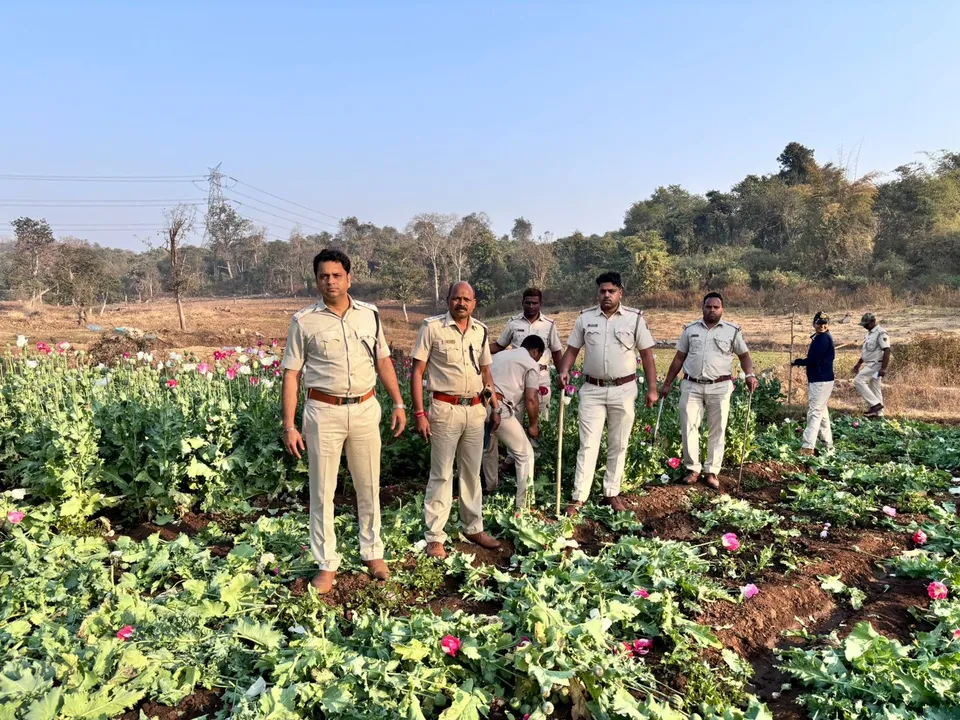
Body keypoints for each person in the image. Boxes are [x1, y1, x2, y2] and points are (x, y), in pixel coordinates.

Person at [281, 249, 407, 595]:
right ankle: (326, 562)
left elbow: (383, 361)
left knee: (368, 485)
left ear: (349, 278)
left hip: (365, 408)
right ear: (316, 280)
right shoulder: (304, 321)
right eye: (324, 276)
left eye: (337, 275)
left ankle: (373, 552)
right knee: (323, 490)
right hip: (323, 412)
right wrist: (289, 425)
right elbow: (291, 375)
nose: (331, 281)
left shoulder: (370, 315)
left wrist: (398, 402)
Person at [411, 281, 502, 559]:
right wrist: (419, 414)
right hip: (444, 409)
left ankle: (473, 527)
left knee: (472, 473)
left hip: (474, 409)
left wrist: (494, 405)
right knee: (440, 474)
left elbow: (486, 372)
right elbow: (417, 372)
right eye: (456, 298)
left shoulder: (481, 331)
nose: (461, 303)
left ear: (474, 303)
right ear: (448, 300)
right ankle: (435, 536)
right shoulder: (432, 328)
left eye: (466, 299)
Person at [557, 271, 658, 514]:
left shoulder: (634, 319)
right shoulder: (585, 318)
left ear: (620, 292)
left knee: (618, 444)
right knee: (588, 444)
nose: (606, 295)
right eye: (602, 291)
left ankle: (611, 493)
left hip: (623, 390)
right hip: (592, 389)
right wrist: (564, 369)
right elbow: (571, 350)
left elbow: (646, 355)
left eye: (611, 291)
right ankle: (579, 497)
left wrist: (652, 388)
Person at [659, 292, 758, 490]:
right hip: (692, 385)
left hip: (719, 386)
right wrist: (667, 383)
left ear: (722, 309)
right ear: (702, 308)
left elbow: (744, 356)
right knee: (689, 426)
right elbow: (679, 358)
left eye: (716, 307)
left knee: (717, 428)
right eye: (708, 307)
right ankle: (692, 469)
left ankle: (711, 471)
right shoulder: (690, 330)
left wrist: (749, 375)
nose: (712, 310)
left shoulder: (732, 331)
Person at [482, 335, 544, 507]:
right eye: (539, 355)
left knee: (488, 447)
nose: (538, 359)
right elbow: (531, 398)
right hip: (499, 405)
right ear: (535, 351)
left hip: (480, 402)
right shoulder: (531, 363)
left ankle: (491, 487)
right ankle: (524, 505)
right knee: (525, 454)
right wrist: (533, 426)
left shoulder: (499, 356)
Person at [490, 288, 564, 420]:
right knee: (514, 420)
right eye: (528, 302)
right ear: (522, 303)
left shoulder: (549, 325)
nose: (531, 306)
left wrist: (562, 374)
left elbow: (556, 352)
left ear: (540, 304)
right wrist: (478, 349)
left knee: (540, 420)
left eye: (534, 303)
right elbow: (499, 346)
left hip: (540, 377)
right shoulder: (513, 322)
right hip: (517, 380)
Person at [791, 312, 835, 455]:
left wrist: (798, 362)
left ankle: (808, 446)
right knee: (822, 414)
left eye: (824, 323)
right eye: (819, 323)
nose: (822, 326)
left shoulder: (823, 339)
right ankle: (828, 446)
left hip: (821, 380)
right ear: (814, 323)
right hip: (821, 379)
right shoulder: (820, 338)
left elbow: (813, 360)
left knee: (815, 412)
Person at [852, 312, 891, 417]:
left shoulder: (881, 333)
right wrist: (858, 364)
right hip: (870, 364)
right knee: (874, 386)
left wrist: (883, 369)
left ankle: (875, 405)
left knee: (858, 381)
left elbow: (887, 350)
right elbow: (867, 352)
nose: (864, 326)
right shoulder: (869, 333)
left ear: (873, 321)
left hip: (875, 366)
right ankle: (879, 413)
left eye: (866, 324)